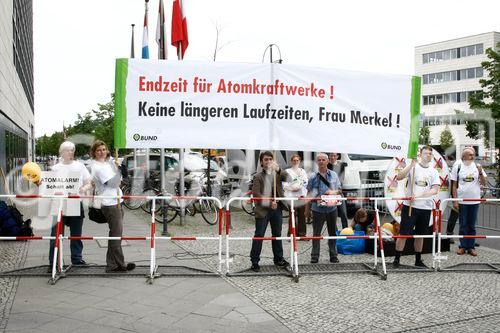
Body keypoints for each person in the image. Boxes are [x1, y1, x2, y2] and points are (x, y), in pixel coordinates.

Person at [90, 140, 135, 272]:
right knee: (116, 235)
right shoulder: (98, 167)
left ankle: (112, 264)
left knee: (114, 234)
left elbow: (121, 180)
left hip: (116, 201)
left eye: (104, 149)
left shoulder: (107, 164)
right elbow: (113, 183)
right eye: (99, 150)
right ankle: (121, 264)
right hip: (111, 204)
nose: (102, 152)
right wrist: (119, 171)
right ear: (94, 153)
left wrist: (120, 170)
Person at [392, 146, 440, 268]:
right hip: (410, 206)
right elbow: (399, 177)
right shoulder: (414, 167)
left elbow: (435, 189)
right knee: (403, 234)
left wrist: (419, 195)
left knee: (420, 235)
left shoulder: (434, 171)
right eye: (426, 153)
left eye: (430, 154)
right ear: (420, 154)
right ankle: (397, 259)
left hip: (425, 207)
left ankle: (418, 260)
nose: (428, 155)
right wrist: (411, 165)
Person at [48, 141, 92, 270]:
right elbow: (49, 186)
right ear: (61, 152)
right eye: (68, 150)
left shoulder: (80, 166)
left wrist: (83, 189)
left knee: (76, 234)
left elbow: (89, 182)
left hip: (75, 202)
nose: (71, 152)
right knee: (55, 235)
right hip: (59, 203)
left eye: (72, 150)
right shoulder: (55, 168)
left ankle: (77, 259)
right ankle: (54, 261)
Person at [249, 151, 289, 272]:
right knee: (259, 235)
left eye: (270, 159)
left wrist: (278, 169)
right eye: (266, 159)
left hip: (277, 209)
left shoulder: (277, 174)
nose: (268, 161)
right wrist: (269, 202)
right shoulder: (257, 176)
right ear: (261, 162)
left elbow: (289, 178)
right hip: (263, 210)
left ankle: (278, 258)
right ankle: (254, 261)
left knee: (277, 235)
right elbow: (256, 194)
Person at [451, 147, 487, 257]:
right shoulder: (458, 166)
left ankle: (471, 247)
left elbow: (484, 183)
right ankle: (462, 246)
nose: (473, 156)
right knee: (463, 225)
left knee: (472, 225)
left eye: (473, 154)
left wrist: (480, 172)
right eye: (470, 154)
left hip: (474, 201)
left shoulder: (477, 167)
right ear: (464, 156)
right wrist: (455, 200)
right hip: (462, 201)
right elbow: (454, 185)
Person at [308, 153, 342, 264]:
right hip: (317, 209)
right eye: (319, 160)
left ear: (327, 162)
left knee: (332, 233)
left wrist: (333, 192)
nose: (321, 161)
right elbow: (308, 193)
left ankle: (333, 256)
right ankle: (314, 257)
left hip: (332, 208)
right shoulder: (312, 176)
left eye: (323, 160)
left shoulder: (334, 175)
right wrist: (307, 209)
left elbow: (340, 190)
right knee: (316, 234)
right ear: (317, 162)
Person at [283, 154, 308, 238]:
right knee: (292, 215)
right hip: (291, 196)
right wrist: (292, 188)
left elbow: (305, 182)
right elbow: (284, 183)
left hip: (300, 196)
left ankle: (302, 234)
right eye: (294, 160)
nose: (295, 162)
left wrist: (299, 187)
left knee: (302, 215)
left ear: (299, 161)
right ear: (291, 161)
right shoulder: (287, 171)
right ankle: (291, 234)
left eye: (297, 160)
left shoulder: (302, 171)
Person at [327, 153, 348, 228]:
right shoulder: (327, 165)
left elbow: (341, 178)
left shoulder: (341, 165)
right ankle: (334, 231)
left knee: (343, 213)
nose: (332, 157)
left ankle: (345, 230)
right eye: (331, 155)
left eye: (334, 156)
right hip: (330, 193)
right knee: (332, 214)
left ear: (337, 156)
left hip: (338, 191)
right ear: (329, 156)